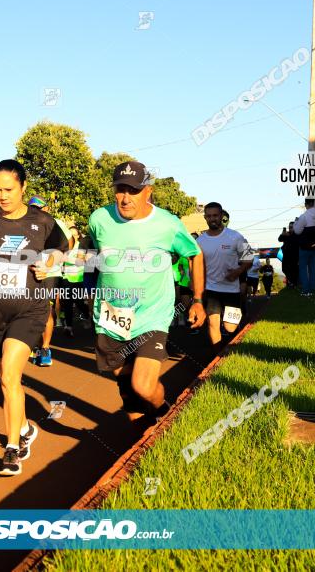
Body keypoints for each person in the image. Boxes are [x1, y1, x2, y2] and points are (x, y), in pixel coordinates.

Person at [0, 159, 70, 475]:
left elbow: (63, 248)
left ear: (23, 187)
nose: (2, 196)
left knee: (10, 376)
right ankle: (24, 427)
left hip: (30, 308)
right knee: (4, 374)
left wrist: (50, 261)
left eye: (8, 189)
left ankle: (12, 448)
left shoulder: (43, 222)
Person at [89, 161, 206, 428]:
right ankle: (146, 441)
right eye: (120, 190)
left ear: (147, 191)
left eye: (133, 190)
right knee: (129, 392)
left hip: (152, 315)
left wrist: (197, 299)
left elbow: (194, 254)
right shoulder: (99, 219)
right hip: (110, 316)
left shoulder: (167, 224)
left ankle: (164, 412)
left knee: (142, 386)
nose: (126, 197)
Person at [196, 202, 251, 355]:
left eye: (215, 215)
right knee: (213, 324)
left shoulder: (235, 236)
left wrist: (238, 272)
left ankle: (235, 344)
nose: (212, 219)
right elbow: (197, 265)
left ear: (221, 216)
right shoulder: (199, 241)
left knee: (230, 327)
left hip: (231, 290)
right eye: (209, 216)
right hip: (211, 289)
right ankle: (218, 356)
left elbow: (249, 258)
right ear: (205, 217)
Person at [26, 195, 74, 367]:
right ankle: (35, 343)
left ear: (46, 209)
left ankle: (45, 348)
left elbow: (69, 242)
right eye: (33, 208)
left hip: (50, 273)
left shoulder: (57, 223)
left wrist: (55, 259)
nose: (36, 212)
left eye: (39, 208)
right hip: (29, 273)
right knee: (30, 310)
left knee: (46, 308)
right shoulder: (24, 221)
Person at [61, 225, 91, 336]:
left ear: (78, 235)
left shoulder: (81, 245)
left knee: (79, 302)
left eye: (74, 234)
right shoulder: (64, 246)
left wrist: (66, 258)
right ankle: (68, 327)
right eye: (70, 235)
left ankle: (87, 315)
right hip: (66, 277)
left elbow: (81, 261)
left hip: (79, 278)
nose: (72, 237)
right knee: (67, 302)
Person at [293, 198, 315, 296]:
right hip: (314, 247)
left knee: (303, 268)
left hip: (304, 246)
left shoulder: (304, 216)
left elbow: (297, 231)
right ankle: (312, 289)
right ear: (313, 203)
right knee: (312, 267)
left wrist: (295, 223)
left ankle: (305, 290)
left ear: (306, 204)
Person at [278, 221, 300, 287]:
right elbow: (280, 239)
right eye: (289, 227)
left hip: (294, 256)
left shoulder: (297, 234)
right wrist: (282, 234)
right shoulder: (286, 234)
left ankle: (293, 284)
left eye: (291, 227)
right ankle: (290, 282)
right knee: (284, 269)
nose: (290, 229)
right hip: (286, 256)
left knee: (294, 270)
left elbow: (296, 242)